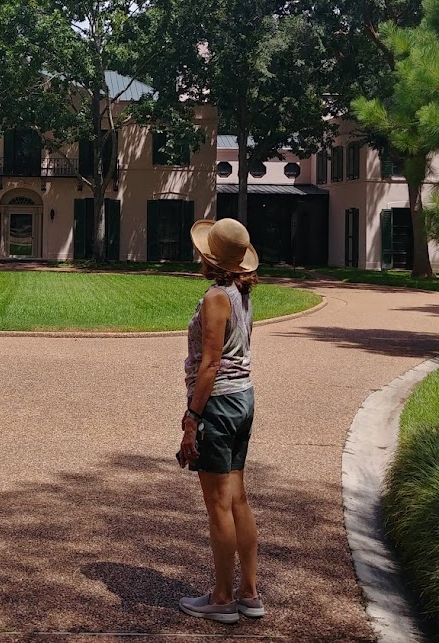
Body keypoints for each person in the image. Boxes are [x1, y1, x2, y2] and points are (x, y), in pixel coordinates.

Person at [176, 217, 264, 625]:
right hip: (243, 398)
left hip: (220, 404)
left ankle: (223, 598)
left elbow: (211, 363)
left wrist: (193, 416)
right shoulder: (242, 292)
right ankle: (249, 592)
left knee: (218, 505)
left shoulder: (216, 296)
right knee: (238, 499)